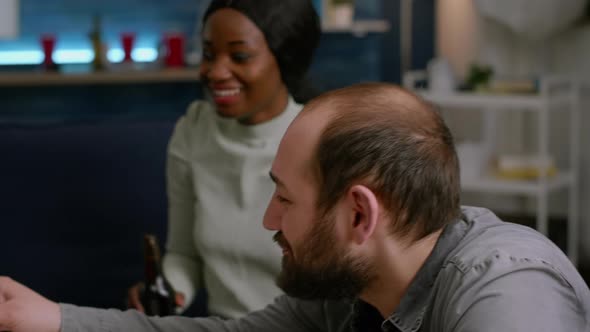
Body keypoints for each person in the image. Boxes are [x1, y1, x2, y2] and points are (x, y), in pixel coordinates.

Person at [1, 82, 589, 332]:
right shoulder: (351, 292)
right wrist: (55, 319)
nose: (268, 220)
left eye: (284, 197)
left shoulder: (506, 289)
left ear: (360, 215)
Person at [126, 0, 321, 319]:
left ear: (285, 58)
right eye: (208, 54)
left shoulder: (322, 141)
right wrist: (166, 291)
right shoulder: (193, 131)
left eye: (239, 56)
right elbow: (184, 254)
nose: (215, 72)